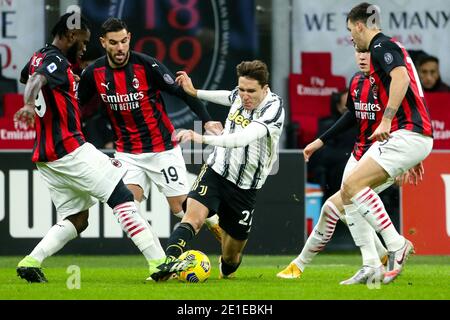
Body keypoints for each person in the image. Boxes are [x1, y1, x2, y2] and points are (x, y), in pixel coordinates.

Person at [14, 13, 193, 283]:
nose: (85, 49)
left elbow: (25, 74)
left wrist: (44, 97)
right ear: (71, 36)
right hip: (71, 149)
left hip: (46, 158)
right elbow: (36, 79)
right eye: (83, 42)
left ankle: (30, 261)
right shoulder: (55, 61)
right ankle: (158, 263)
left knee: (78, 218)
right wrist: (29, 104)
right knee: (122, 198)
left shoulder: (39, 56)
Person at [277, 47, 422, 281]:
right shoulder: (355, 81)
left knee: (342, 204)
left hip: (380, 155)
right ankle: (377, 259)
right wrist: (320, 141)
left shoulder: (389, 84)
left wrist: (410, 159)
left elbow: (408, 120)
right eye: (358, 52)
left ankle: (377, 256)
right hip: (358, 154)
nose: (363, 57)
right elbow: (351, 116)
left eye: (367, 52)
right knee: (338, 206)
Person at [77, 18, 223, 241]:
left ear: (129, 39)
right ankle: (158, 261)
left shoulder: (147, 65)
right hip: (127, 153)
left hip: (162, 148)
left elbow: (181, 92)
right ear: (103, 42)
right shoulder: (93, 73)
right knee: (126, 210)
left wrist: (206, 120)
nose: (120, 48)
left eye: (124, 41)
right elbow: (74, 106)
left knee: (180, 209)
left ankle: (213, 220)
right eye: (114, 42)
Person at [150, 60, 285, 281]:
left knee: (232, 258)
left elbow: (242, 138)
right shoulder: (240, 96)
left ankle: (226, 263)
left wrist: (200, 137)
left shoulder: (274, 109)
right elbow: (228, 96)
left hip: (245, 187)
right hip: (216, 170)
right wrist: (195, 92)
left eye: (251, 91)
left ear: (265, 88)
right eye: (241, 89)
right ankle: (167, 266)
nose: (244, 96)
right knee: (192, 219)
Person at [342, 2, 433, 284]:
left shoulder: (381, 46)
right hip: (409, 135)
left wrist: (386, 121)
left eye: (351, 31)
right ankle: (371, 264)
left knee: (353, 186)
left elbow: (402, 77)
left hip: (405, 133)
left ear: (360, 26)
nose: (351, 39)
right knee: (348, 192)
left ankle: (396, 245)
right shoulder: (388, 48)